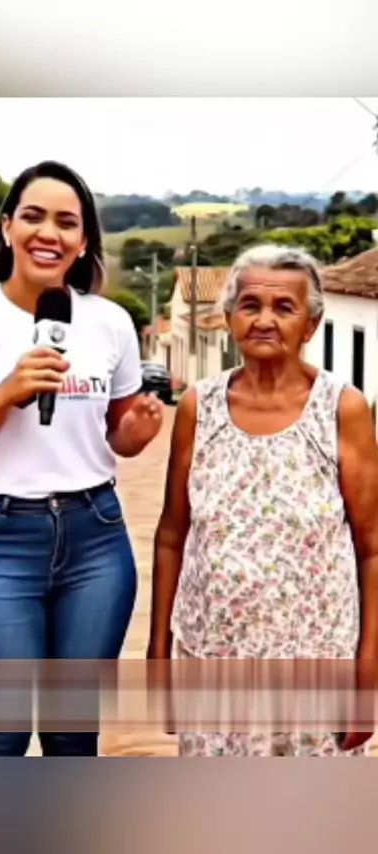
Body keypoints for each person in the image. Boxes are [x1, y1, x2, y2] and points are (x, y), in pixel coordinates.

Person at [0, 160, 163, 756]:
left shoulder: (110, 323)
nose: (48, 233)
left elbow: (117, 436)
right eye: (33, 216)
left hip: (96, 539)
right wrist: (5, 394)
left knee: (72, 732)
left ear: (83, 241)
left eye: (66, 222)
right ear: (7, 228)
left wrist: (136, 432)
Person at [148, 244, 378, 757]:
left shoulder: (341, 409)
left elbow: (373, 548)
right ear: (230, 316)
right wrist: (158, 650)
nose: (265, 320)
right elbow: (171, 536)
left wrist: (368, 669)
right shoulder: (199, 407)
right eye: (250, 305)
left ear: (311, 325)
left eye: (284, 307)